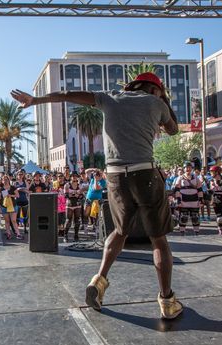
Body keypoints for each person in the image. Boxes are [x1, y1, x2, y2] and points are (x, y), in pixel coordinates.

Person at [12, 71, 183, 319]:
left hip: (115, 177)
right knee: (158, 239)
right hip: (145, 174)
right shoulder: (156, 103)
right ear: (154, 89)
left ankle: (99, 280)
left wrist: (35, 100)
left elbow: (67, 95)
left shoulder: (109, 97)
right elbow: (174, 130)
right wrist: (164, 100)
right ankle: (167, 301)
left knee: (120, 232)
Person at [174, 161, 203, 236]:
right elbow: (177, 189)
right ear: (184, 169)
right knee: (183, 217)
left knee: (195, 217)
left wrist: (200, 200)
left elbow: (200, 189)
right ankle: (182, 232)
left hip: (194, 201)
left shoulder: (196, 178)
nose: (188, 169)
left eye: (189, 167)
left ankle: (196, 232)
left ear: (192, 168)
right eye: (186, 167)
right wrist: (178, 200)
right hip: (184, 201)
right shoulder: (180, 178)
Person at [0, 175, 21, 240]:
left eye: (6, 179)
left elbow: (18, 195)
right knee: (7, 221)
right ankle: (8, 234)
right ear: (2, 181)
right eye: (4, 179)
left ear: (8, 180)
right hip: (4, 206)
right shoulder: (1, 189)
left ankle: (18, 234)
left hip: (13, 206)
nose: (5, 181)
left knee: (13, 220)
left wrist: (10, 195)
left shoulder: (13, 187)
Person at [65, 175, 84, 242]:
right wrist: (74, 194)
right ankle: (65, 235)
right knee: (68, 220)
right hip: (69, 204)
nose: (74, 177)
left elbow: (81, 196)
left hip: (77, 204)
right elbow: (66, 195)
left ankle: (76, 235)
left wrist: (78, 195)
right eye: (73, 176)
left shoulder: (80, 185)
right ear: (71, 177)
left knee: (77, 220)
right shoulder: (67, 185)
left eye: (76, 176)